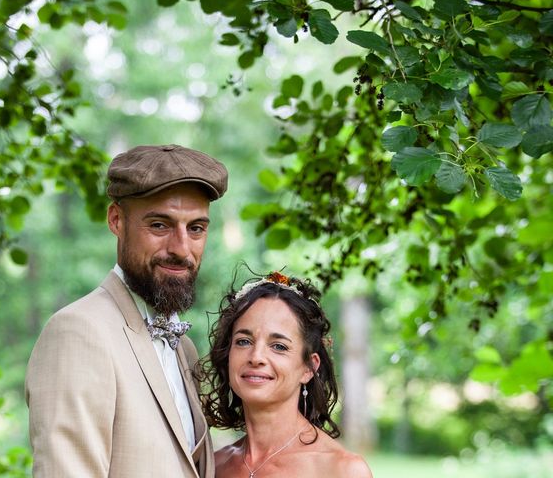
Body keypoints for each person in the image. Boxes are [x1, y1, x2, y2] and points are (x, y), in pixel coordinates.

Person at [25, 144, 228, 477]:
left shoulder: (186, 350)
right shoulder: (78, 333)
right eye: (160, 225)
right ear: (116, 220)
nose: (181, 248)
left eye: (196, 228)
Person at [200, 271, 373, 477]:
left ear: (308, 368)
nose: (256, 357)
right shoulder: (214, 466)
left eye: (279, 346)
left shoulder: (342, 470)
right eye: (244, 341)